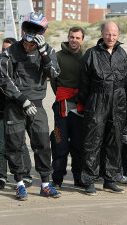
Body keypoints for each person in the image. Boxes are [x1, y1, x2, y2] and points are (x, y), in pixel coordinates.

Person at [0, 12, 61, 200]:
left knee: (42, 143)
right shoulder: (10, 52)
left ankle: (45, 184)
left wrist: (42, 53)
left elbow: (55, 73)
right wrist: (22, 99)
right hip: (16, 105)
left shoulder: (47, 51)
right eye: (26, 41)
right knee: (14, 145)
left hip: (37, 106)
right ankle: (19, 183)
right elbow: (3, 79)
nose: (28, 45)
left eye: (31, 43)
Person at [79, 21, 127, 195]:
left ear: (118, 35)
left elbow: (126, 81)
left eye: (114, 34)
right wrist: (88, 103)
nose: (111, 37)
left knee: (114, 141)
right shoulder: (91, 54)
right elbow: (83, 83)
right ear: (101, 33)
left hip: (118, 102)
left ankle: (110, 179)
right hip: (97, 100)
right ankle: (89, 180)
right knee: (93, 141)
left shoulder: (122, 53)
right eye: (108, 34)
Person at [0, 36, 33, 190]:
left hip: (17, 111)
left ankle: (26, 175)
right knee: (0, 145)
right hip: (0, 110)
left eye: (9, 48)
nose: (6, 51)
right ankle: (1, 176)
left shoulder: (21, 66)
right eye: (3, 49)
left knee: (20, 144)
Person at [49, 27, 86, 188]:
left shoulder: (87, 57)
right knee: (60, 142)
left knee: (79, 144)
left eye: (78, 38)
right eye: (72, 37)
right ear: (68, 37)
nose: (74, 40)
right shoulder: (57, 56)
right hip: (62, 103)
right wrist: (63, 94)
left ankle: (78, 178)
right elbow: (53, 80)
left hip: (80, 105)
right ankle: (57, 178)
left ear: (82, 40)